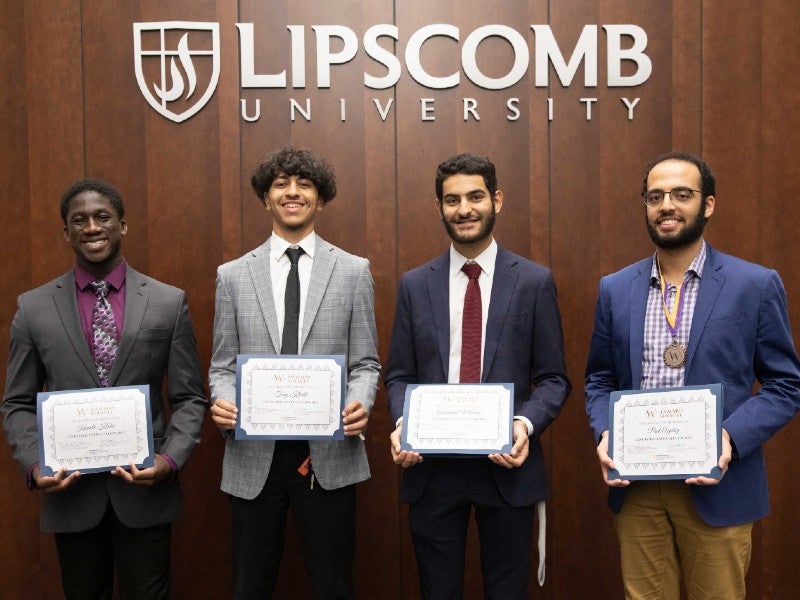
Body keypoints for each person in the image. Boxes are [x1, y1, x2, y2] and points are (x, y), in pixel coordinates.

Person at [585, 151, 800, 600]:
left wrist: (730, 439)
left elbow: (785, 385)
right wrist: (606, 432)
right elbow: (599, 381)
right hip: (638, 490)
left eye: (682, 194)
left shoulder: (754, 284)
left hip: (719, 486)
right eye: (656, 196)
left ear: (708, 205)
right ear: (644, 205)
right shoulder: (615, 288)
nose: (668, 205)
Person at [1, 178, 208, 599]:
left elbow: (190, 398)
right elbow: (17, 403)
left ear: (122, 226)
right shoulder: (33, 308)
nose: (91, 227)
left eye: (102, 217)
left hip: (145, 491)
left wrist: (169, 460)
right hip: (71, 494)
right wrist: (34, 465)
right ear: (66, 232)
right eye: (79, 220)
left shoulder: (169, 303)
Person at [384, 152, 571, 599]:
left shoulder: (533, 281)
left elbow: (553, 379)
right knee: (437, 591)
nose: (464, 209)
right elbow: (398, 375)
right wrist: (403, 423)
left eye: (475, 197)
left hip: (507, 467)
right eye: (452, 200)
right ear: (439, 207)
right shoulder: (414, 284)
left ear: (496, 200)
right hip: (432, 469)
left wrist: (523, 425)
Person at [209, 145, 380, 599]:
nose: (293, 193)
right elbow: (221, 366)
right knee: (250, 586)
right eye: (281, 184)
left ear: (320, 199)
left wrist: (359, 401)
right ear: (266, 198)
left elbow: (366, 363)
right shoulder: (232, 276)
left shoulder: (353, 271)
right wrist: (222, 400)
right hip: (253, 457)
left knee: (334, 585)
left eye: (304, 184)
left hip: (327, 455)